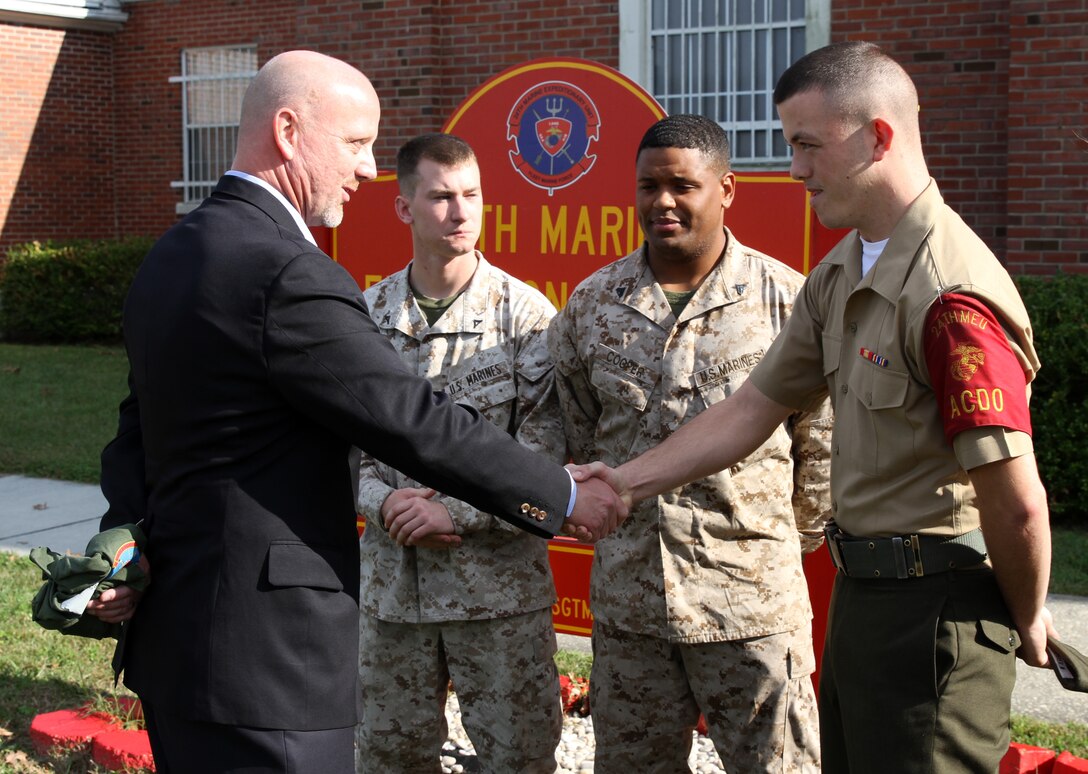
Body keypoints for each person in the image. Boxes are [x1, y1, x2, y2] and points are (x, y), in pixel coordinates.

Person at [84, 50, 625, 773]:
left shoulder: (174, 253)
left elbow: (137, 432)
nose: (368, 168)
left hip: (180, 646)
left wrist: (124, 543)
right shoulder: (285, 270)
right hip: (270, 667)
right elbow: (408, 417)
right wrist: (561, 494)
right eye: (353, 142)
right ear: (286, 130)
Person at [572, 42, 1055, 774]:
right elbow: (750, 408)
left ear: (878, 136)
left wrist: (1027, 617)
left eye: (806, 145)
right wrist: (627, 482)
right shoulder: (843, 270)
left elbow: (1016, 505)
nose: (794, 168)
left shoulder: (949, 296)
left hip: (935, 609)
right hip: (864, 596)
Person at [548, 114, 832, 773]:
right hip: (632, 608)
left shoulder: (784, 300)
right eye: (649, 186)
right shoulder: (593, 303)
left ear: (726, 188)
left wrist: (775, 549)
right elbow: (579, 430)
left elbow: (821, 445)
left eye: (683, 185)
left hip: (752, 610)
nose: (663, 201)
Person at [354, 133, 565, 772]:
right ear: (404, 208)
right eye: (441, 197)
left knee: (519, 759)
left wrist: (456, 511)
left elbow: (545, 446)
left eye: (472, 195)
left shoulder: (523, 315)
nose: (461, 212)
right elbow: (341, 446)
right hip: (393, 593)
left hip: (496, 595)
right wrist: (384, 500)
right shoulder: (365, 317)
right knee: (389, 757)